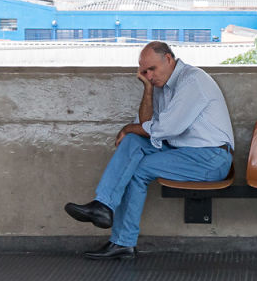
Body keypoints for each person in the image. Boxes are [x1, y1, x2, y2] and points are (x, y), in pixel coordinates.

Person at [64, 41, 234, 260]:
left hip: (211, 157)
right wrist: (148, 90)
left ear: (169, 59)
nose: (149, 75)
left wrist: (128, 127)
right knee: (133, 141)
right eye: (143, 72)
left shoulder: (192, 81)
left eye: (151, 69)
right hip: (182, 152)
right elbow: (146, 125)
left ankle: (122, 241)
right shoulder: (160, 87)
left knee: (137, 165)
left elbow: (167, 128)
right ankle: (103, 206)